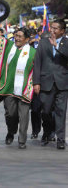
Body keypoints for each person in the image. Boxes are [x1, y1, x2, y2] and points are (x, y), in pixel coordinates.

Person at [0, 27, 36, 149]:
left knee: (24, 115)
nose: (17, 38)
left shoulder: (33, 52)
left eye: (20, 36)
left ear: (27, 39)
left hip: (25, 88)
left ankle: (22, 140)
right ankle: (11, 131)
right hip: (8, 88)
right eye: (16, 35)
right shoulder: (8, 46)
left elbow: (37, 70)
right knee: (10, 114)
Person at [33, 19, 68, 149]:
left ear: (62, 31)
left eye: (55, 28)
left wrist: (57, 46)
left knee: (61, 111)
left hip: (62, 83)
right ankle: (47, 132)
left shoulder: (66, 43)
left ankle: (60, 139)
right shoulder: (43, 42)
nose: (52, 31)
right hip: (45, 82)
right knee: (45, 111)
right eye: (51, 28)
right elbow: (37, 63)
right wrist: (36, 82)